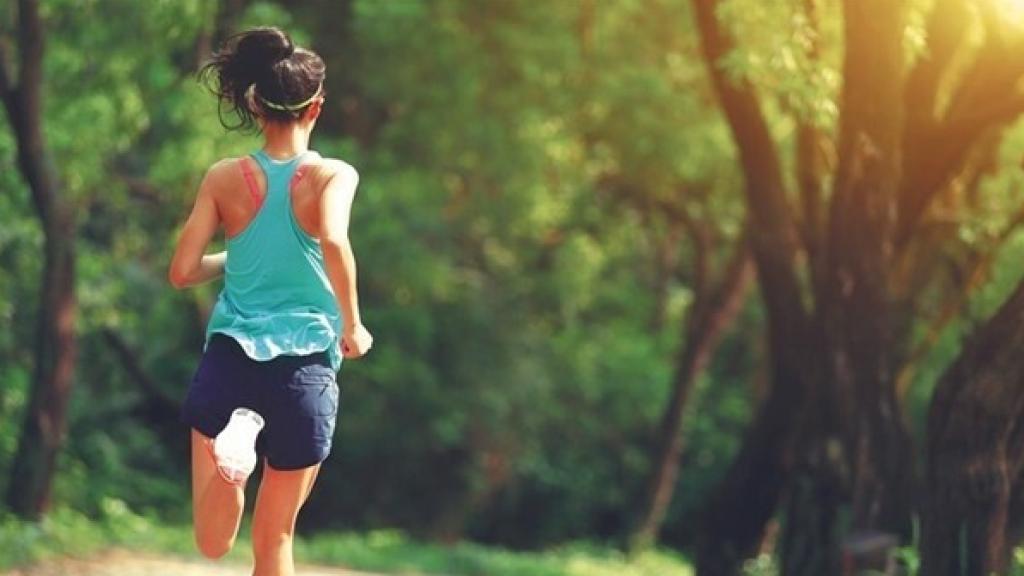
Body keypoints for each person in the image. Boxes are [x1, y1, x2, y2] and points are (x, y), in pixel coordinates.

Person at [168, 26, 372, 576]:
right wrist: (353, 325)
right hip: (303, 367)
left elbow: (183, 271)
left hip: (230, 358)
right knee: (275, 539)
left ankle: (233, 466)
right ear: (317, 107)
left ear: (255, 103)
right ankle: (239, 457)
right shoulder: (333, 175)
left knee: (212, 542)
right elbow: (332, 238)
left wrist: (232, 259)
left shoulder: (223, 178)